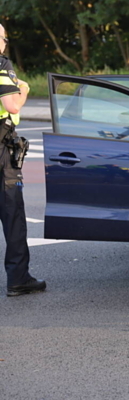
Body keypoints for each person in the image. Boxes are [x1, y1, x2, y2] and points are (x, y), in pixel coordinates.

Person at [0, 23, 45, 296]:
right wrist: (24, 89)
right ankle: (18, 278)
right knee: (12, 212)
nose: (5, 42)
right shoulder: (2, 64)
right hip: (1, 150)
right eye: (4, 38)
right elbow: (12, 105)